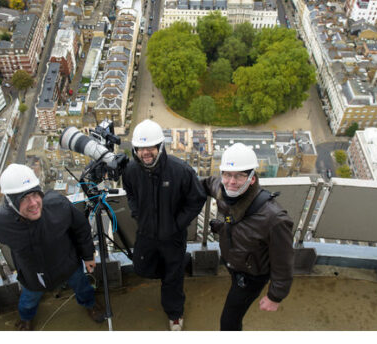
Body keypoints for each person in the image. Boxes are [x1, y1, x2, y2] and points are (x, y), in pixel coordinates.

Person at [0, 163, 105, 330]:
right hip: (33, 275)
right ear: (11, 203)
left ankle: (90, 304)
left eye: (36, 194)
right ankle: (26, 319)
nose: (34, 203)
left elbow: (81, 228)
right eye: (24, 198)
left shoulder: (57, 205)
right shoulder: (0, 222)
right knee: (28, 301)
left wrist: (87, 256)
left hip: (68, 265)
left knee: (83, 287)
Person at [122, 119, 207, 331]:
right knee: (141, 267)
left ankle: (175, 313)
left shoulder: (181, 171)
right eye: (140, 148)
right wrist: (137, 214)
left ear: (160, 146)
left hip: (172, 237)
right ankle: (173, 269)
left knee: (173, 278)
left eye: (150, 147)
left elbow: (197, 198)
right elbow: (130, 193)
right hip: (146, 233)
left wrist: (178, 224)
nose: (145, 153)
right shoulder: (131, 170)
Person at [201, 143, 294, 331]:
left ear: (252, 178)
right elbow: (203, 183)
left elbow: (283, 262)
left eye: (240, 175)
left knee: (229, 321)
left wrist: (275, 296)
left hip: (251, 276)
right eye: (227, 174)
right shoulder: (222, 190)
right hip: (234, 261)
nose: (231, 182)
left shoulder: (274, 218)